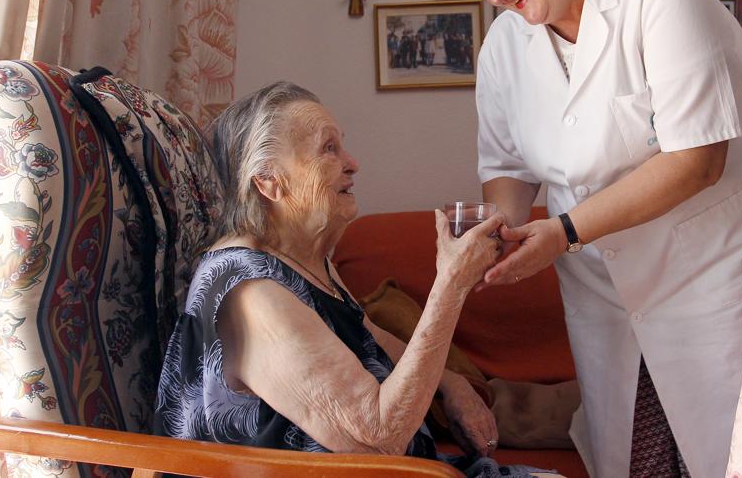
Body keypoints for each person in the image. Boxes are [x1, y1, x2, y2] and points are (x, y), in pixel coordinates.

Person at [441, 0, 742, 478]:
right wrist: (496, 236)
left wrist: (563, 232)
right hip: (598, 288)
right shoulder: (502, 48)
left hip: (707, 274)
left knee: (731, 454)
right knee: (625, 457)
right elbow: (511, 169)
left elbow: (698, 160)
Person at [155, 82, 554, 477]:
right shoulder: (252, 293)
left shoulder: (301, 260)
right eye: (329, 148)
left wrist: (451, 384)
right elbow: (379, 443)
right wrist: (450, 286)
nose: (352, 162)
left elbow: (371, 336)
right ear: (268, 182)